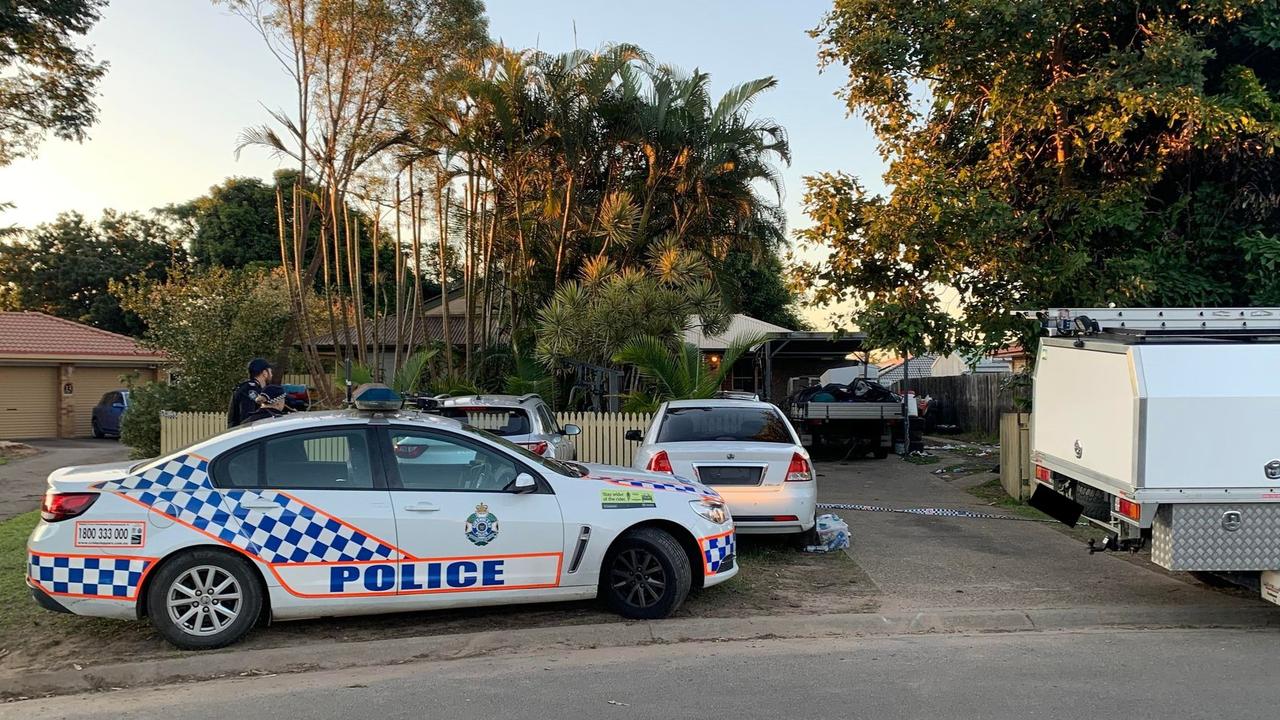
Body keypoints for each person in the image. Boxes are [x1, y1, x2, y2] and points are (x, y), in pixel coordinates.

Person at [227, 358, 274, 428]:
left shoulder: (250, 388)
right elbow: (247, 420)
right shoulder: (250, 390)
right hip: (244, 435)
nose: (272, 375)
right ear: (264, 373)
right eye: (270, 371)